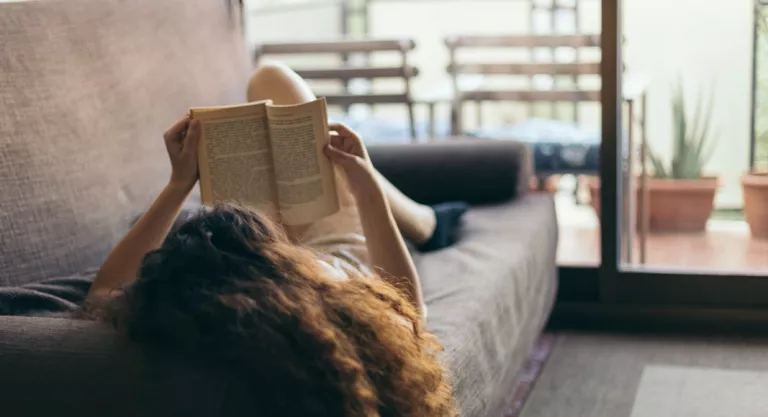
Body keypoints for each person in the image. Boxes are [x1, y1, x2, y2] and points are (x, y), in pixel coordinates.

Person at [83, 63, 463, 416]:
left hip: (264, 254)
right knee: (273, 79)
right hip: (339, 239)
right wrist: (367, 192)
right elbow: (409, 308)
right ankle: (428, 224)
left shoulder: (214, 301)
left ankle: (424, 219)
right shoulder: (336, 299)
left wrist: (179, 185)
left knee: (269, 87)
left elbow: (105, 292)